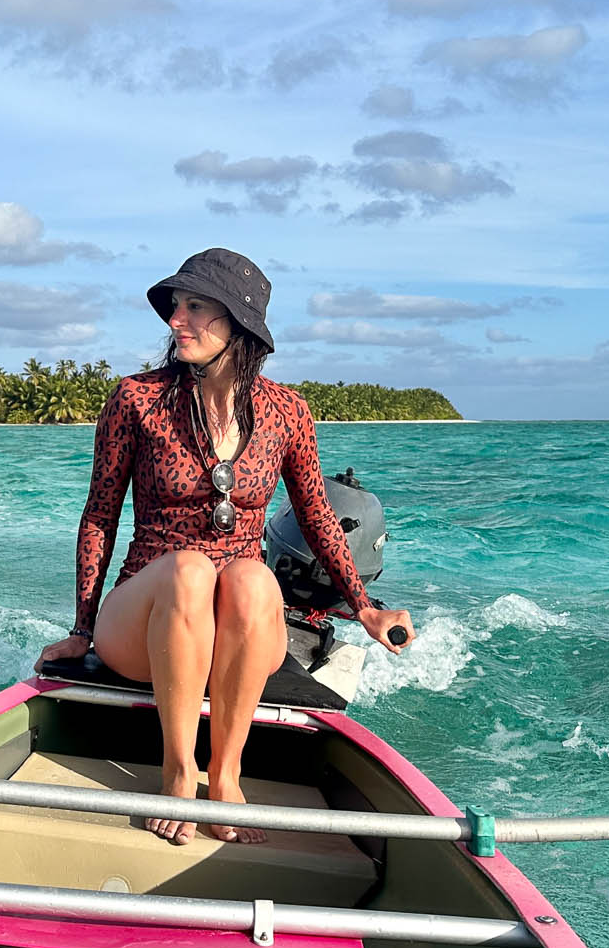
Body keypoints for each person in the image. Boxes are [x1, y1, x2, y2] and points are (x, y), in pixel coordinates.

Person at [37, 248, 414, 845]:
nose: (175, 321)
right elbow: (100, 515)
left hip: (240, 631)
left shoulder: (287, 410)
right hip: (145, 623)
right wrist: (81, 627)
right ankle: (180, 772)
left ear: (238, 324)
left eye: (195, 308)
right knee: (188, 569)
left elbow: (316, 513)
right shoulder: (135, 400)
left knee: (251, 576)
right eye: (175, 307)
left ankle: (227, 775)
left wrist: (364, 605)